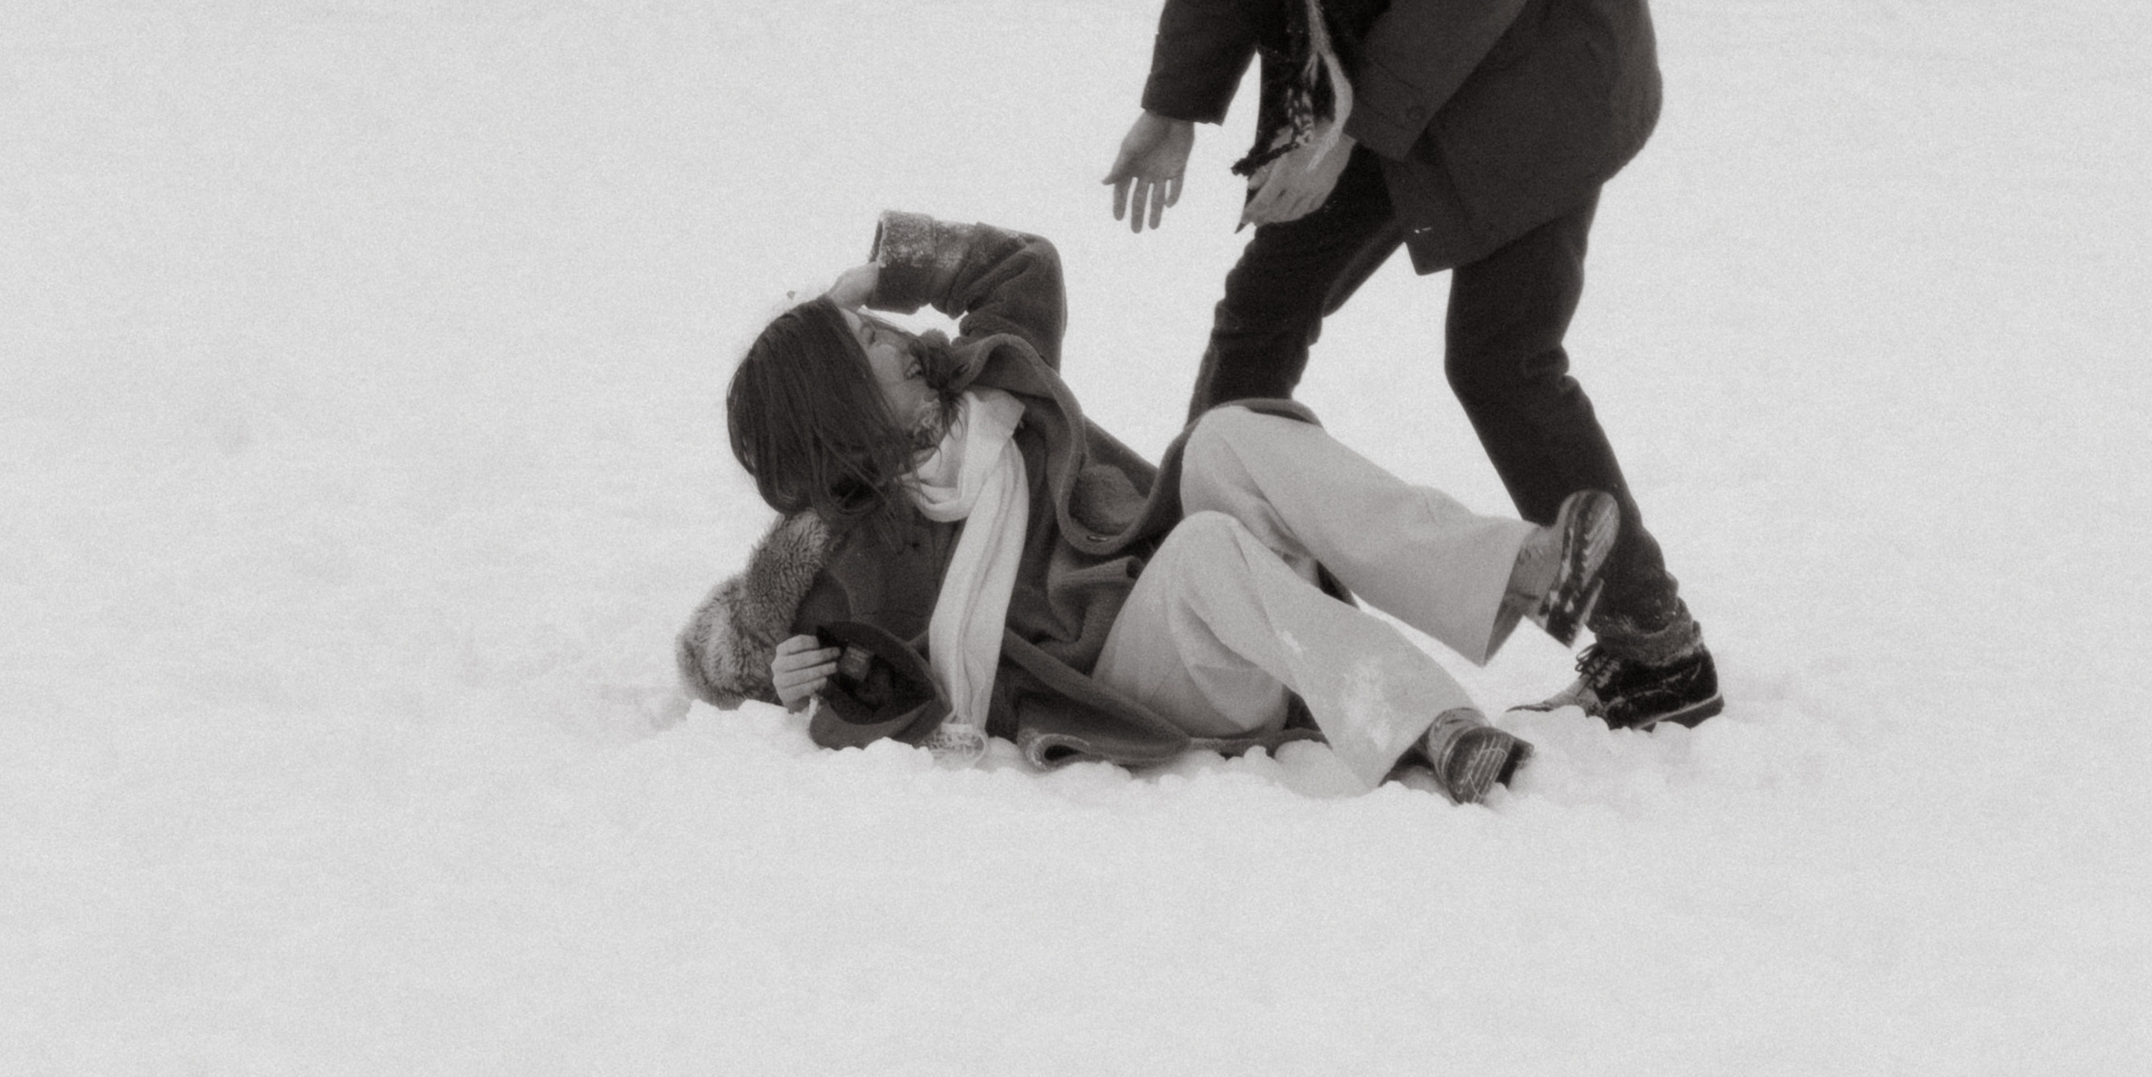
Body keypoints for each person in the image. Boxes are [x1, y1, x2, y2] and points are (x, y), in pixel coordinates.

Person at [1102, 0, 1719, 730]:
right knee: (1265, 307)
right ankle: (1192, 594)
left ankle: (1658, 651)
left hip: (1539, 74)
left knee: (1499, 358)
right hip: (1372, 74)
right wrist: (1176, 101)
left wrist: (1353, 127)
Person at [673, 214, 1630, 804]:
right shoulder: (856, 544)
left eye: (876, 321)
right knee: (1209, 547)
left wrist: (885, 267)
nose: (893, 334)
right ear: (845, 410)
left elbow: (1023, 265)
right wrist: (773, 666)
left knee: (1225, 437)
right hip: (1128, 677)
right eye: (867, 340)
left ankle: (1517, 573)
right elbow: (715, 641)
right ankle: (1430, 729)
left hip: (1199, 596)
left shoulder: (992, 380)